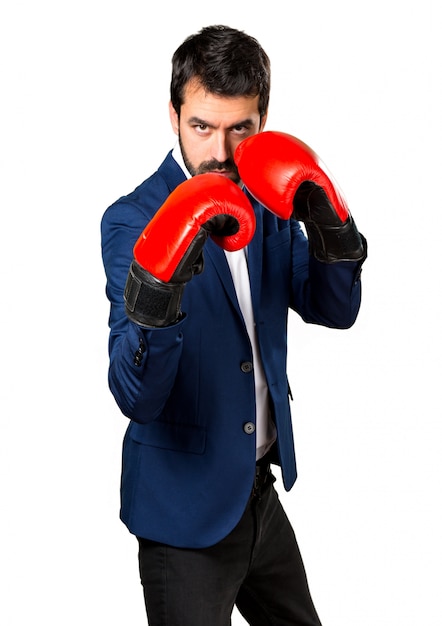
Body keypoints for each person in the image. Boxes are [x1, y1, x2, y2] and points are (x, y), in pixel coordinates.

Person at [101, 24, 367, 626]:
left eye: (239, 128)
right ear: (174, 115)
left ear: (262, 120)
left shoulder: (268, 201)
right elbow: (134, 395)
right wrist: (158, 290)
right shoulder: (131, 220)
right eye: (201, 126)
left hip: (258, 500)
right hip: (183, 515)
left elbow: (335, 308)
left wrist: (332, 222)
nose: (219, 152)